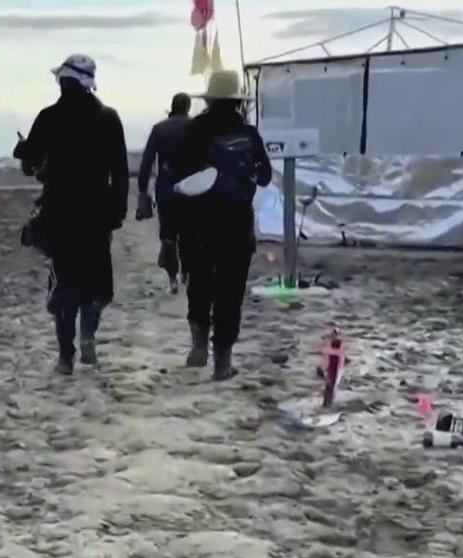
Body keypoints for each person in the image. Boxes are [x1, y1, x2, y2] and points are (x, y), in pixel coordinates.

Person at [14, 54, 129, 375]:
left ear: (65, 81)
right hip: (97, 214)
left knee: (65, 282)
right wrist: (117, 212)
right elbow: (120, 172)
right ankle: (89, 335)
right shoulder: (109, 117)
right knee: (98, 285)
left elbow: (31, 161)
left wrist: (23, 150)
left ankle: (66, 356)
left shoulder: (48, 117)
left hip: (59, 213)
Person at [174, 70, 271, 381]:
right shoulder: (250, 134)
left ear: (211, 99)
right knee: (230, 293)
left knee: (200, 283)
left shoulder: (196, 130)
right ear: (237, 101)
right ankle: (223, 362)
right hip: (237, 224)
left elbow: (182, 176)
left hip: (200, 223)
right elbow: (266, 176)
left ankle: (199, 346)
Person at [136, 93, 192, 294]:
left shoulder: (160, 129)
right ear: (188, 107)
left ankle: (173, 280)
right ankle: (187, 272)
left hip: (166, 189)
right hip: (192, 189)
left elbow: (147, 162)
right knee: (188, 233)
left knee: (168, 236)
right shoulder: (196, 127)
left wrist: (143, 189)